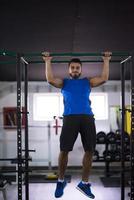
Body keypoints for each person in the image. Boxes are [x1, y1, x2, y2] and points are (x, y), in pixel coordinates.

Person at [43, 52, 111, 199]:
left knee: (90, 150)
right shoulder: (64, 82)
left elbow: (104, 78)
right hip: (70, 118)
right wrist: (48, 61)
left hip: (87, 118)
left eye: (77, 68)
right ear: (69, 70)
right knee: (64, 150)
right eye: (72, 67)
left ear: (81, 70)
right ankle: (60, 181)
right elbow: (49, 79)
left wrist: (106, 60)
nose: (75, 70)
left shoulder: (87, 81)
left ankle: (84, 183)